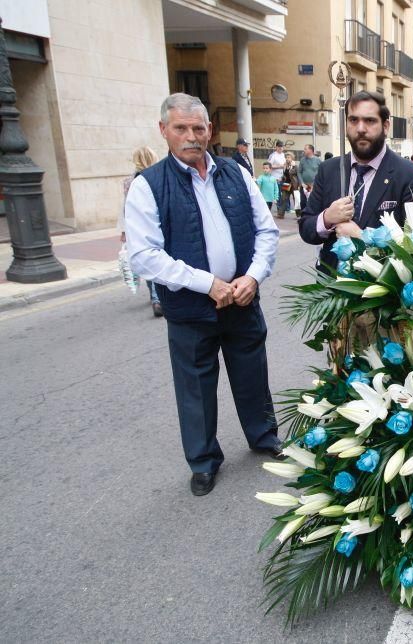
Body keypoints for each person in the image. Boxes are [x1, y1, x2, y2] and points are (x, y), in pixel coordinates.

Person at [125, 93, 283, 497]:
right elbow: (145, 255)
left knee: (252, 374)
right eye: (181, 128)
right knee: (195, 388)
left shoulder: (235, 173)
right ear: (164, 131)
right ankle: (203, 461)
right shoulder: (148, 186)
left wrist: (252, 276)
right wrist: (206, 283)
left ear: (210, 130)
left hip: (243, 300)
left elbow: (266, 230)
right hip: (192, 309)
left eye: (198, 128)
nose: (191, 136)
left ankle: (264, 436)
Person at [298, 91, 413, 269]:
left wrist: (362, 237)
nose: (360, 128)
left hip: (382, 290)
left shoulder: (411, 176)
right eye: (353, 120)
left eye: (370, 121)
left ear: (385, 126)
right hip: (330, 290)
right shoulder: (328, 170)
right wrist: (327, 218)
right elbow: (306, 229)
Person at [118, 145, 162, 317]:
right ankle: (157, 298)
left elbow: (125, 208)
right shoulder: (158, 177)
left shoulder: (130, 182)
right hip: (156, 223)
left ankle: (154, 295)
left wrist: (124, 230)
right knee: (158, 258)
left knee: (147, 258)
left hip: (136, 226)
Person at [297, 144, 322, 213]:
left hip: (314, 186)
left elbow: (321, 173)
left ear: (310, 150)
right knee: (303, 202)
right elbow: (299, 172)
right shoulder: (302, 160)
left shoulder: (318, 160)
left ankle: (312, 215)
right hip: (304, 185)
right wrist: (302, 183)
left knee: (313, 201)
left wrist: (315, 184)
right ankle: (303, 216)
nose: (304, 150)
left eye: (305, 149)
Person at [278, 151, 300, 218]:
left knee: (296, 200)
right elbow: (285, 175)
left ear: (292, 158)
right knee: (283, 198)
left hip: (294, 185)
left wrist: (299, 185)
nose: (287, 159)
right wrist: (281, 178)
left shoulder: (295, 166)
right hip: (286, 184)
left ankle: (298, 215)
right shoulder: (285, 166)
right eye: (286, 157)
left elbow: (298, 175)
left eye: (288, 157)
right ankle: (280, 214)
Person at [267, 140, 286, 215]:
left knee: (282, 194)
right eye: (279, 147)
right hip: (275, 177)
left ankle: (281, 210)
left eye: (282, 147)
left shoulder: (283, 155)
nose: (281, 148)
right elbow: (269, 166)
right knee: (277, 194)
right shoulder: (273, 155)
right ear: (276, 147)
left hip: (282, 177)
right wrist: (280, 166)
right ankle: (278, 210)